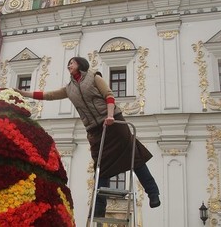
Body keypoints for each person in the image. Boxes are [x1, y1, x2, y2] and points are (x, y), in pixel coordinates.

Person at [14, 57, 160, 219]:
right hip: (95, 130)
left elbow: (109, 95)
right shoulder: (69, 89)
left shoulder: (94, 77)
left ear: (80, 64)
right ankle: (99, 208)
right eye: (68, 63)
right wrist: (23, 93)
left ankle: (153, 193)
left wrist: (110, 116)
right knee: (101, 166)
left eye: (72, 62)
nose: (69, 65)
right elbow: (48, 95)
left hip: (113, 123)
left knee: (135, 158)